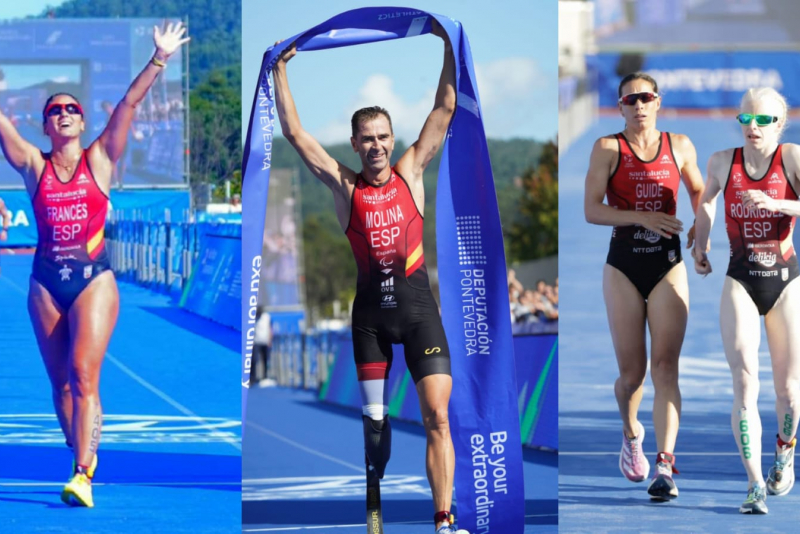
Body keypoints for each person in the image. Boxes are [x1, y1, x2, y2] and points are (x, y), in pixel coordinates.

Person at [273, 22, 467, 534]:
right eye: (368, 139)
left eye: (384, 137)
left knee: (438, 417)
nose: (378, 146)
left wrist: (449, 46)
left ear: (392, 139)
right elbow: (295, 135)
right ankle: (374, 485)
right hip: (370, 326)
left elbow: (443, 110)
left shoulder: (411, 172)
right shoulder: (345, 187)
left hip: (421, 315)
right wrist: (280, 69)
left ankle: (443, 520)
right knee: (375, 429)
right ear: (356, 145)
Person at [0, 22, 189, 508]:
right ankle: (79, 447)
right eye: (54, 111)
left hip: (93, 281)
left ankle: (83, 472)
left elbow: (127, 105)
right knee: (60, 386)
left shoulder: (101, 158)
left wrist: (159, 59)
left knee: (84, 375)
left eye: (71, 109)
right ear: (43, 126)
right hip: (44, 284)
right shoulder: (31, 165)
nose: (63, 114)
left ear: (82, 123)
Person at [584, 72, 704, 501]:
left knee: (665, 368)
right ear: (620, 107)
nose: (638, 105)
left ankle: (665, 465)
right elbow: (591, 211)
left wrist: (701, 232)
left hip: (668, 265)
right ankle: (631, 431)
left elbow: (699, 192)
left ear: (658, 102)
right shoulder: (608, 148)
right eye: (630, 99)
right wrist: (643, 216)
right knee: (632, 376)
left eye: (645, 98)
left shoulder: (681, 145)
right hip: (624, 266)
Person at [693, 87, 800, 515]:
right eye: (745, 120)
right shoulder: (722, 161)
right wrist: (700, 247)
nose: (752, 128)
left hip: (786, 281)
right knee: (744, 383)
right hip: (741, 279)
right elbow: (707, 202)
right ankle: (755, 483)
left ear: (779, 123)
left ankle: (785, 447)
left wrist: (775, 202)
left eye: (762, 121)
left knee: (790, 393)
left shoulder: (790, 157)